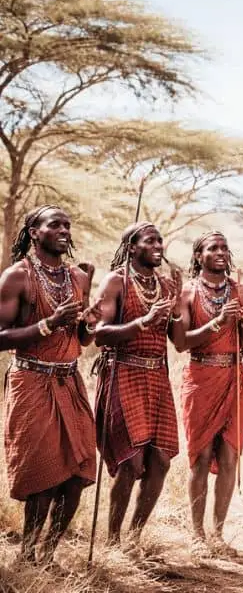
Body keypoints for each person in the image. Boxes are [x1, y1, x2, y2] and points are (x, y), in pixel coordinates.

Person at [0, 206, 101, 565]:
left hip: (70, 380)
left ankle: (47, 552)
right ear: (33, 231)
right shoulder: (17, 277)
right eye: (54, 224)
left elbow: (84, 339)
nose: (63, 230)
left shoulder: (78, 277)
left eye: (67, 225)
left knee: (77, 473)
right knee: (44, 477)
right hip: (31, 380)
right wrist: (47, 324)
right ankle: (26, 556)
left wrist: (90, 322)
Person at [93, 222, 181, 549]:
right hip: (123, 371)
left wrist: (177, 310)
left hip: (157, 376)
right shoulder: (115, 281)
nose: (158, 245)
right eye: (150, 241)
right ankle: (113, 542)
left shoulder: (165, 285)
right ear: (132, 247)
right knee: (131, 460)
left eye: (160, 241)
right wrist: (143, 321)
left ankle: (134, 538)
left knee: (160, 461)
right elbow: (100, 334)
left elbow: (178, 340)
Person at [171, 231, 243, 557]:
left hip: (235, 376)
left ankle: (218, 534)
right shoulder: (187, 293)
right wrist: (219, 321)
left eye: (224, 247)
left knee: (230, 456)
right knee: (201, 457)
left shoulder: (242, 291)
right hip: (200, 375)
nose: (220, 252)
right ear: (199, 255)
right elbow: (181, 343)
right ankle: (196, 534)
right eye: (212, 248)